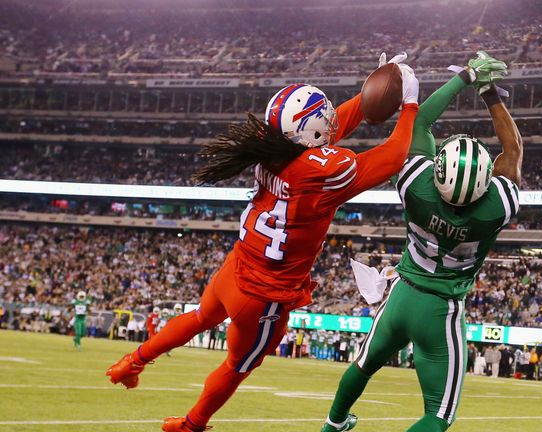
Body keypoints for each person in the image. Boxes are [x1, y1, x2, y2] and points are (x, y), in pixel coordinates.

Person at [105, 53, 421, 432]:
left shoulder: (270, 148)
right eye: (323, 120)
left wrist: (372, 90)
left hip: (236, 267)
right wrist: (409, 103)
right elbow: (392, 156)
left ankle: (133, 361)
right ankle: (190, 425)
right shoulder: (317, 173)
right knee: (238, 365)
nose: (331, 122)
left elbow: (324, 129)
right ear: (309, 133)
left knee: (200, 317)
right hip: (263, 295)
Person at [321, 51, 515, 432]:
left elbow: (421, 120)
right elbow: (514, 151)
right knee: (439, 415)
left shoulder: (416, 184)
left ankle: (332, 425)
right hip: (441, 309)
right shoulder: (496, 207)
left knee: (364, 364)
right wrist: (490, 95)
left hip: (403, 295)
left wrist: (465, 77)